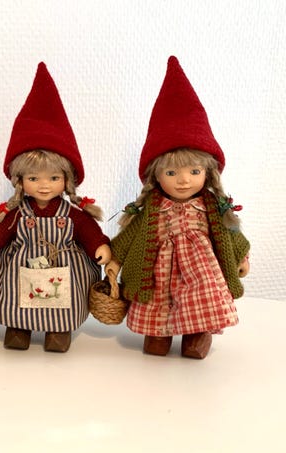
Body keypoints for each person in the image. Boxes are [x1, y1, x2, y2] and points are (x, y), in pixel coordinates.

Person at [107, 56, 250, 359]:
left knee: (201, 300)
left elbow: (231, 234)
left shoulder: (211, 207)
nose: (184, 181)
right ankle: (158, 335)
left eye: (194, 172)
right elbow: (129, 237)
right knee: (158, 304)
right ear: (155, 176)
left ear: (208, 173)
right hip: (158, 274)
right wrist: (115, 260)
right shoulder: (151, 209)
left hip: (200, 273)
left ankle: (197, 334)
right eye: (172, 172)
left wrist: (242, 257)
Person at [0, 62, 111, 353]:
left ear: (67, 180)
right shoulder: (16, 214)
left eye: (54, 178)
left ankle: (57, 331)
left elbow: (88, 231)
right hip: (19, 267)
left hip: (63, 268)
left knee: (64, 301)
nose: (44, 186)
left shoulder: (72, 215)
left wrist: (99, 245)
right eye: (34, 178)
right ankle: (18, 328)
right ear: (20, 180)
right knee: (16, 298)